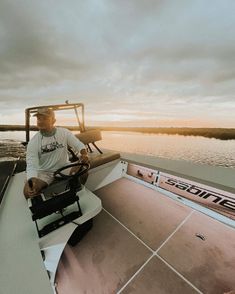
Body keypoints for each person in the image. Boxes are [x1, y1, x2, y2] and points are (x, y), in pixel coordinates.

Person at [23, 107, 89, 198]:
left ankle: (77, 193)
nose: (40, 121)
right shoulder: (33, 143)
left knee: (84, 171)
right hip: (45, 172)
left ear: (53, 120)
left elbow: (78, 145)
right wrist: (32, 179)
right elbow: (31, 165)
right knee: (28, 192)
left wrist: (84, 154)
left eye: (45, 118)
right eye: (39, 118)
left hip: (63, 166)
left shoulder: (64, 132)